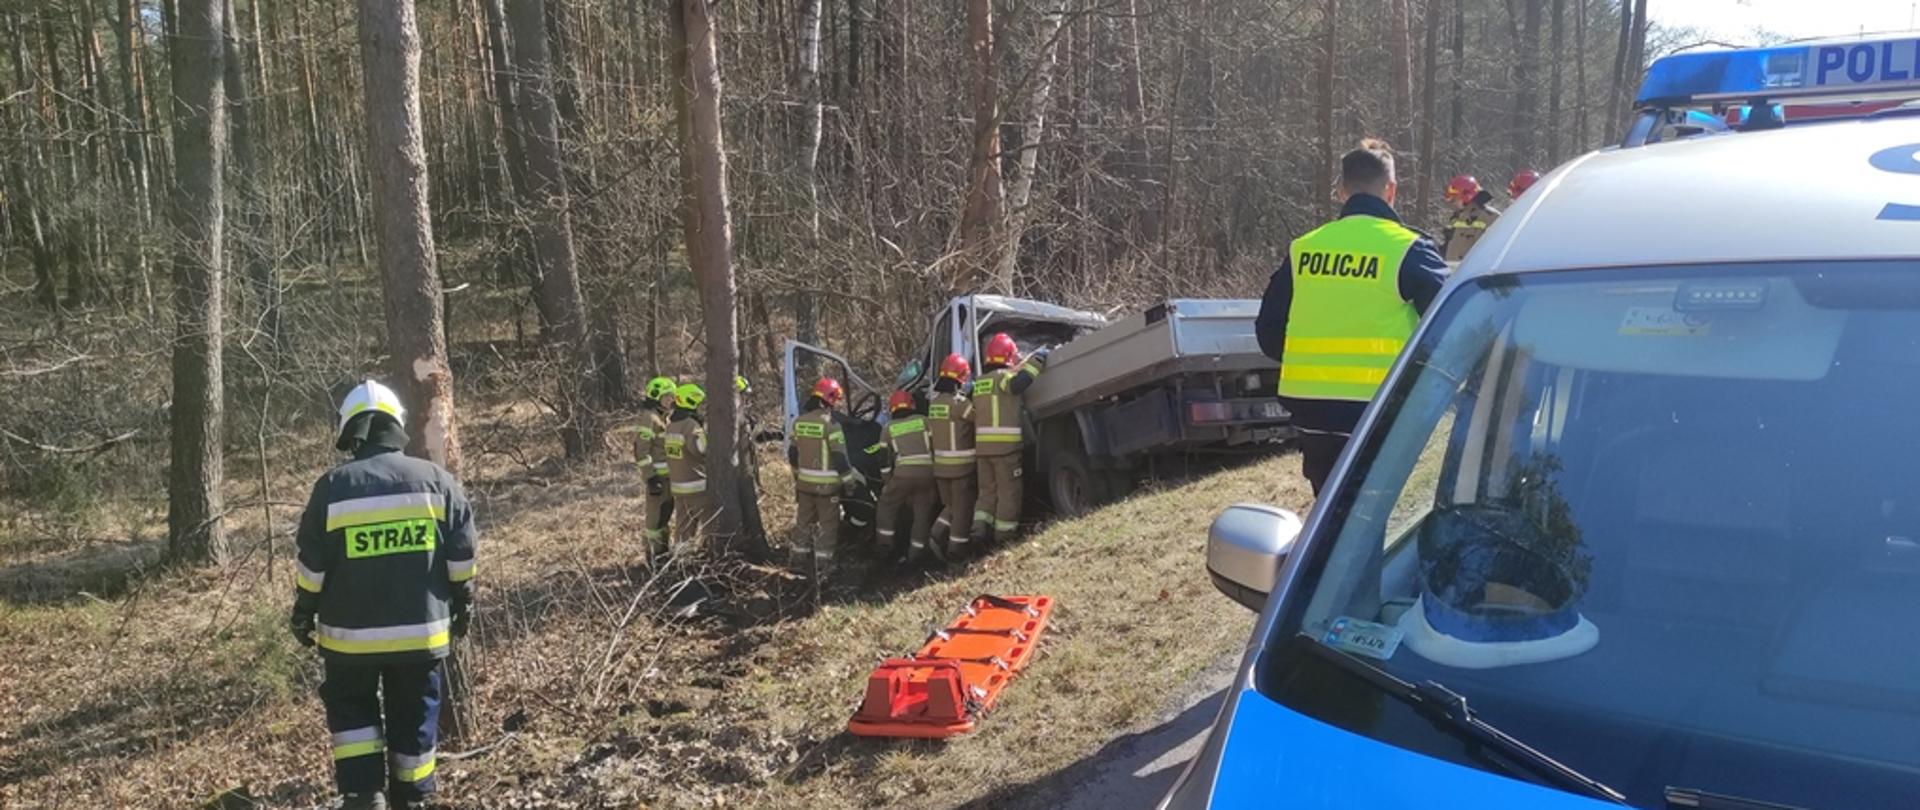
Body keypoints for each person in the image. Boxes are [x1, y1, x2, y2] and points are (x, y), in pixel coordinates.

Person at [291, 380, 477, 810]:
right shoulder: (438, 483)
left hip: (348, 641)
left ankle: (363, 797)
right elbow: (463, 556)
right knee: (414, 722)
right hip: (419, 638)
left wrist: (303, 613)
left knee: (353, 719)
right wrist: (463, 603)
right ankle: (411, 800)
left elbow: (312, 567)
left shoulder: (332, 488)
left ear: (351, 432)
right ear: (397, 426)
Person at [1254, 139, 1447, 496]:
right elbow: (1453, 329)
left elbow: (1268, 334)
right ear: (1391, 190)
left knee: (1329, 515)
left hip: (1311, 413)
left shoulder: (1304, 248)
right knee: (1373, 516)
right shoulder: (1408, 249)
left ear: (1341, 191)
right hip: (1379, 409)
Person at [970, 333, 1050, 546]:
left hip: (983, 451)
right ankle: (1004, 537)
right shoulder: (1003, 378)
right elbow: (1019, 384)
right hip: (1004, 450)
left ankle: (979, 530)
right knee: (1008, 493)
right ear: (1008, 356)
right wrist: (1037, 360)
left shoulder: (979, 383)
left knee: (987, 493)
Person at [787, 377, 853, 581]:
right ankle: (823, 567)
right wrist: (849, 483)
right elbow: (840, 457)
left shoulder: (799, 421)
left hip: (805, 484)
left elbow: (792, 453)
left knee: (803, 523)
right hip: (827, 488)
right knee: (828, 525)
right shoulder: (831, 425)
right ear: (829, 399)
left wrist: (797, 477)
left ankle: (796, 563)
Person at [869, 390, 939, 563]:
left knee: (886, 506)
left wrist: (887, 482)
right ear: (912, 405)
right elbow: (936, 446)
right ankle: (916, 554)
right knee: (922, 512)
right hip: (927, 474)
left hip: (903, 474)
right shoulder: (925, 421)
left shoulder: (888, 428)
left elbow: (883, 459)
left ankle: (885, 547)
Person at [927, 353, 977, 555]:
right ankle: (957, 550)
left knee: (951, 506)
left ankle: (936, 533)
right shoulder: (959, 404)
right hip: (961, 469)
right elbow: (979, 418)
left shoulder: (934, 404)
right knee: (963, 510)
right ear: (961, 377)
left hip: (941, 470)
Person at [664, 382, 716, 550]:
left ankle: (681, 561)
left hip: (678, 487)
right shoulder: (691, 426)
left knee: (683, 529)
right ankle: (712, 556)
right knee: (710, 524)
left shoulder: (671, 425)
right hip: (697, 486)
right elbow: (702, 450)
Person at [634, 376, 676, 562]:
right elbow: (641, 451)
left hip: (668, 478)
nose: (671, 400)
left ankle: (664, 551)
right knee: (654, 519)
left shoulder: (663, 417)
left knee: (664, 515)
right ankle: (654, 555)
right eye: (667, 397)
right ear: (656, 397)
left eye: (671, 397)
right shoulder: (649, 418)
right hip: (657, 478)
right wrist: (651, 477)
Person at [1440, 174, 1501, 263]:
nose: (1452, 204)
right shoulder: (1456, 218)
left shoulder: (1490, 218)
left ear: (1466, 196)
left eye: (1454, 199)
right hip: (1453, 273)